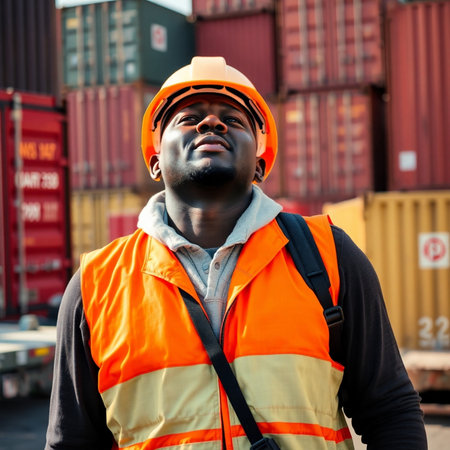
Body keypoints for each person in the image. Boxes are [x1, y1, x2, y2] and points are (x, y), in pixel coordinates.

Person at [46, 56, 427, 450]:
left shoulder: (328, 256)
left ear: (260, 164)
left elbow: (390, 411)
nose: (212, 123)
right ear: (155, 161)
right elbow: (71, 440)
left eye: (234, 118)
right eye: (188, 117)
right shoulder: (95, 287)